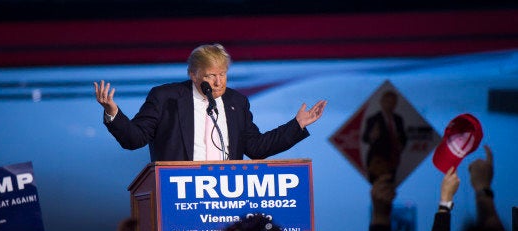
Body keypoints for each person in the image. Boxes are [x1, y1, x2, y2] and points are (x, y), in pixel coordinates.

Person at [94, 43, 327, 162]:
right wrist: (113, 113)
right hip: (179, 197)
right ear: (193, 74)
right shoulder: (166, 99)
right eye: (210, 76)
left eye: (222, 74)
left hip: (225, 199)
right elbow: (134, 139)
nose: (218, 82)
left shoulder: (237, 102)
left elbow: (256, 148)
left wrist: (297, 125)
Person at [362, 90, 408, 183]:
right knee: (378, 189)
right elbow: (365, 138)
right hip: (377, 162)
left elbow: (404, 138)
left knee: (390, 187)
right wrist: (372, 136)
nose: (390, 105)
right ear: (382, 102)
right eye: (388, 102)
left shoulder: (398, 119)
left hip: (393, 160)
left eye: (393, 103)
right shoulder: (373, 119)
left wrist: (401, 145)